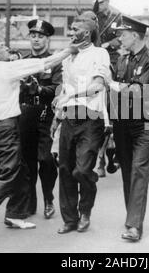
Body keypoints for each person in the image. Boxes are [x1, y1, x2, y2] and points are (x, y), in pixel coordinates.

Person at [0, 39, 74, 241]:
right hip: (7, 127)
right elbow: (46, 63)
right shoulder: (5, 68)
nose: (7, 49)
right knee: (10, 175)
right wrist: (69, 50)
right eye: (2, 47)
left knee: (22, 171)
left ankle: (14, 214)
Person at [55, 14, 110, 235]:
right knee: (65, 169)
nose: (70, 33)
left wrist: (72, 95)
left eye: (74, 29)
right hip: (69, 117)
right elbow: (65, 87)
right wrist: (59, 100)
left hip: (91, 118)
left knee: (82, 170)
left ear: (86, 33)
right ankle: (70, 219)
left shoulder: (100, 53)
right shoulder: (69, 56)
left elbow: (98, 86)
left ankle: (85, 210)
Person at [111, 16, 149, 242]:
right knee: (127, 172)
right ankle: (132, 217)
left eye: (123, 34)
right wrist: (111, 126)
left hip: (145, 123)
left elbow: (139, 91)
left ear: (135, 35)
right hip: (123, 122)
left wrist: (114, 85)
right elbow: (116, 97)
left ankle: (134, 225)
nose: (120, 38)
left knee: (139, 173)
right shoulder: (122, 60)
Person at [19, 19, 61, 219]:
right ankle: (29, 203)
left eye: (41, 36)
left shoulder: (54, 62)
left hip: (46, 113)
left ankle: (48, 199)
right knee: (27, 161)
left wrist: (40, 89)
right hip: (26, 113)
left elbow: (57, 88)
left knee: (45, 159)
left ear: (48, 39)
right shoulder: (23, 62)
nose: (36, 40)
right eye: (33, 36)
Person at [93, 0, 123, 178]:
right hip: (94, 56)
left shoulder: (116, 16)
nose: (99, 4)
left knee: (117, 88)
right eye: (97, 1)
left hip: (110, 57)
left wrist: (107, 46)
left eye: (102, 1)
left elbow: (121, 37)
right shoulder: (92, 15)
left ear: (108, 1)